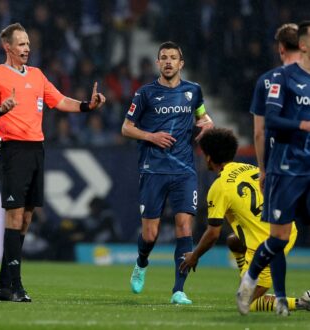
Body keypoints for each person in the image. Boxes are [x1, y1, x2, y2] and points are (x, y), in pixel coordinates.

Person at [0, 23, 105, 302]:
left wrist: (87, 106)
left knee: (26, 218)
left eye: (28, 43)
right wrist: (1, 108)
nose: (27, 48)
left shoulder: (37, 75)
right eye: (21, 44)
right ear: (8, 47)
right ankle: (16, 284)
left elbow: (60, 100)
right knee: (14, 215)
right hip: (12, 149)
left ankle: (3, 284)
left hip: (37, 148)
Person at [121, 41, 214, 305]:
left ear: (181, 63)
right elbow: (126, 128)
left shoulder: (193, 91)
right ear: (158, 63)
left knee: (184, 225)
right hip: (153, 169)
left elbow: (203, 118)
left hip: (184, 170)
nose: (169, 62)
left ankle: (178, 290)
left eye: (174, 57)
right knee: (150, 234)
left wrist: (207, 125)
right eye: (164, 58)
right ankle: (141, 262)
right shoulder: (145, 93)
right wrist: (150, 136)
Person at [179, 128, 310, 313]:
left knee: (247, 302)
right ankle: (247, 276)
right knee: (234, 241)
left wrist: (194, 256)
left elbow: (213, 233)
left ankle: (303, 302)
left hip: (267, 243)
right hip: (286, 228)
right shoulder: (251, 168)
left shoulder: (219, 187)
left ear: (208, 158)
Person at [236, 20, 310, 316]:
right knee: (278, 239)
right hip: (286, 168)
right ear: (302, 45)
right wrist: (303, 125)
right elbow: (271, 122)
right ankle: (250, 280)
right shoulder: (282, 78)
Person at [250, 23, 301, 191]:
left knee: (280, 217)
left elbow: (259, 133)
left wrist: (262, 170)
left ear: (281, 49)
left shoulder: (266, 81)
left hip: (277, 165)